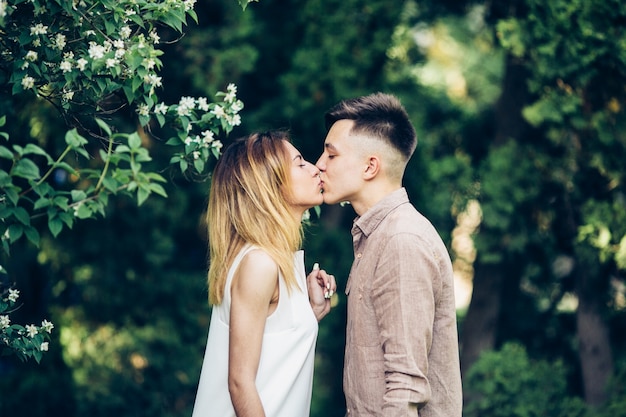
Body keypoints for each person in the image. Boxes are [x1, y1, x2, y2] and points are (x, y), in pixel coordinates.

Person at [315, 93, 462, 417]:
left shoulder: (401, 241)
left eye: (331, 154)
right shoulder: (378, 237)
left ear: (370, 166)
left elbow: (405, 388)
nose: (320, 165)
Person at [192, 131, 337, 417]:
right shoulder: (259, 262)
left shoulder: (271, 259)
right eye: (299, 163)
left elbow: (273, 342)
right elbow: (239, 382)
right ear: (270, 185)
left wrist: (311, 311)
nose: (315, 167)